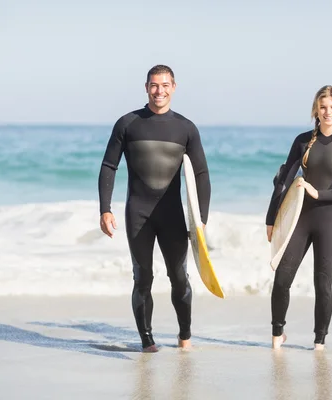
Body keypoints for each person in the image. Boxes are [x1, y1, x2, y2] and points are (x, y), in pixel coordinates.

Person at [98, 65, 211, 353]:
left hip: (172, 214)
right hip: (139, 212)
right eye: (154, 85)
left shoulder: (186, 128)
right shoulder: (128, 123)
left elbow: (200, 175)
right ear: (146, 87)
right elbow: (109, 165)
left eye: (164, 85)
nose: (159, 90)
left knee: (179, 276)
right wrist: (105, 209)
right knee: (142, 276)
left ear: (174, 87)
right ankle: (147, 340)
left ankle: (185, 334)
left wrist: (202, 220)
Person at [265, 85, 332, 350]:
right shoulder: (302, 140)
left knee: (323, 283)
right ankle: (277, 337)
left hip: (329, 221)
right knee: (282, 277)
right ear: (315, 111)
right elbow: (284, 181)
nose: (327, 112)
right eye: (323, 107)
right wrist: (271, 218)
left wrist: (317, 193)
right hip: (300, 219)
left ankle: (319, 342)